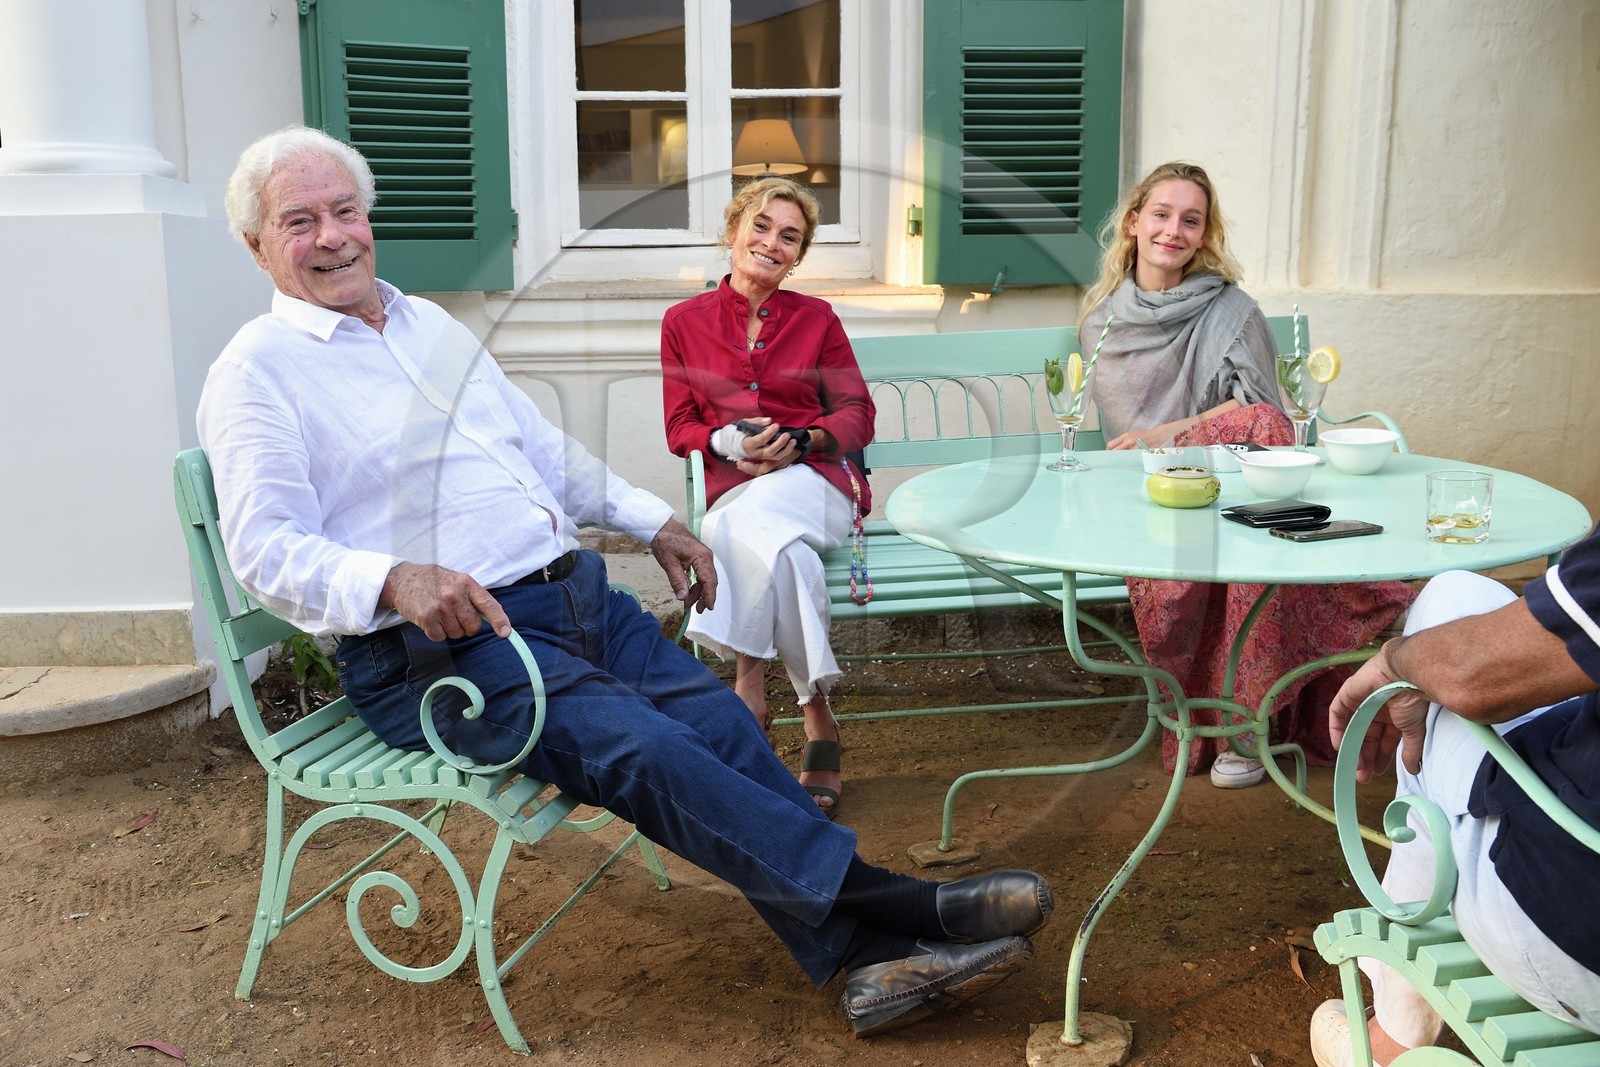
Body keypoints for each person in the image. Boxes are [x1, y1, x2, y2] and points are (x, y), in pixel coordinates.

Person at [196, 125, 1051, 1038]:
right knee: (650, 749)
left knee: (719, 721)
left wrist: (655, 519)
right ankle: (903, 910)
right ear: (257, 245)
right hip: (445, 653)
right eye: (300, 221)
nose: (332, 235)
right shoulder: (257, 372)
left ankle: (859, 959)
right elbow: (265, 548)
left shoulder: (426, 324)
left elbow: (541, 449)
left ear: (369, 219)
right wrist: (392, 576)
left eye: (345, 211)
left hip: (572, 600)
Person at [1078, 162, 1414, 787]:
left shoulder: (1233, 310)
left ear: (1205, 235)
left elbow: (1267, 416)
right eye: (1161, 214)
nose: (1173, 230)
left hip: (1238, 481)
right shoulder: (1103, 321)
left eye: (1190, 220)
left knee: (1253, 487)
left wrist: (1169, 432)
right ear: (1133, 222)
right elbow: (1124, 437)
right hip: (1155, 491)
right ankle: (1239, 722)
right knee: (1242, 513)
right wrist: (1165, 443)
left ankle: (1246, 729)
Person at [1307, 527, 1600, 1066]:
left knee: (1445, 619)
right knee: (1460, 605)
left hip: (1574, 941)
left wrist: (1394, 662)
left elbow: (1471, 677)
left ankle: (1391, 1036)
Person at [661, 176, 874, 818]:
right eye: (760, 226)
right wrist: (725, 443)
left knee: (749, 521)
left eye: (790, 237)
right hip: (740, 493)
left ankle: (745, 688)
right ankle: (818, 715)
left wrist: (806, 442)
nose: (771, 243)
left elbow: (858, 414)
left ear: (798, 256)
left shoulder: (817, 320)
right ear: (733, 232)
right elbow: (679, 429)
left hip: (820, 487)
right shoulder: (682, 323)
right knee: (786, 557)